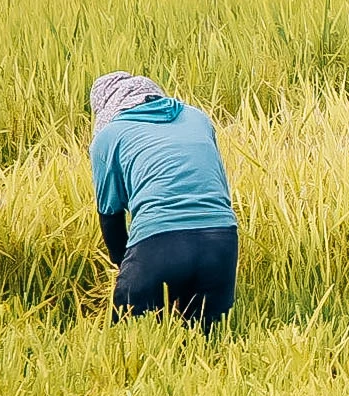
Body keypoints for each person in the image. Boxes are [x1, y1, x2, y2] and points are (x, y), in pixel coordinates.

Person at [89, 72, 239, 329]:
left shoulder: (109, 136)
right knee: (209, 342)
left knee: (129, 336)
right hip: (222, 240)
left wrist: (127, 264)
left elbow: (110, 215)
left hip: (158, 242)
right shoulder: (197, 118)